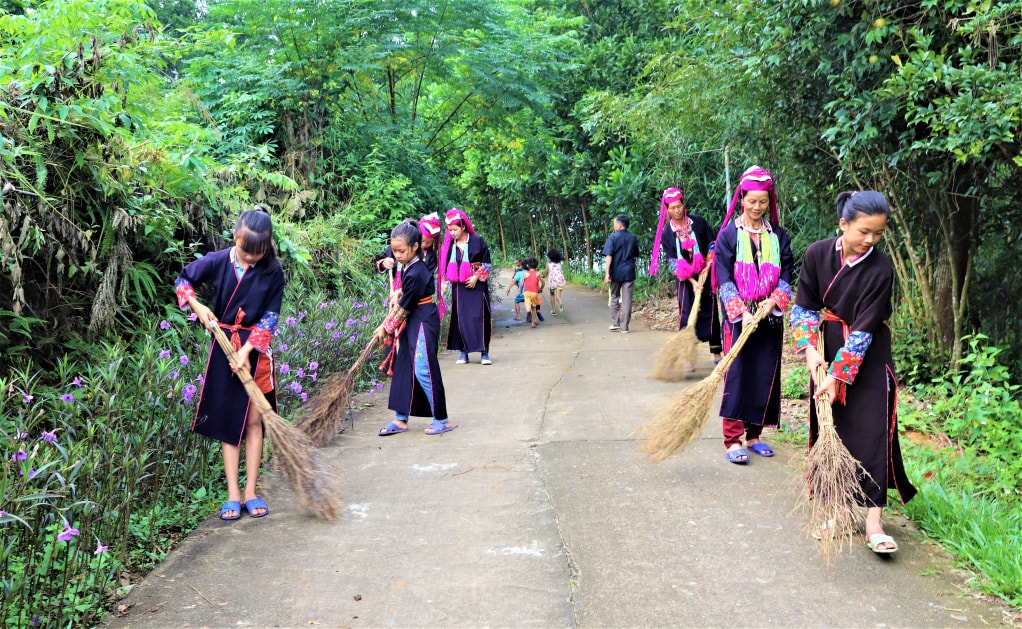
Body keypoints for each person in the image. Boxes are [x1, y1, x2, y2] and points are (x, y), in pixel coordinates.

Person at [791, 190, 917, 554]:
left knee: (874, 431)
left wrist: (837, 375)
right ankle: (838, 510)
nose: (870, 241)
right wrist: (811, 351)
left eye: (878, 234)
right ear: (843, 224)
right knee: (835, 428)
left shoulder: (880, 269)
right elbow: (803, 307)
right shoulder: (817, 254)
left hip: (870, 352)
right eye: (864, 231)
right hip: (828, 344)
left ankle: (874, 521)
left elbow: (863, 330)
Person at [174, 206, 286, 520]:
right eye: (245, 250)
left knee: (253, 422)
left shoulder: (273, 271)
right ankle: (233, 494)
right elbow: (183, 280)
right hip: (223, 348)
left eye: (258, 253)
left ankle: (251, 491)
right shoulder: (218, 260)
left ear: (268, 246)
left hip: (255, 352)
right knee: (228, 423)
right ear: (235, 236)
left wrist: (248, 351)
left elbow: (271, 316)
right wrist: (197, 305)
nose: (251, 257)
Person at [712, 166, 794, 464]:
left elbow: (787, 272)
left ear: (769, 201)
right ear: (742, 198)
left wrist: (773, 303)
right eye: (752, 201)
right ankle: (732, 439)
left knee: (763, 372)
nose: (757, 207)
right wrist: (743, 313)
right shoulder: (728, 236)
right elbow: (724, 277)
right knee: (737, 373)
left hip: (769, 315)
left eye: (763, 201)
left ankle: (754, 435)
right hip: (740, 318)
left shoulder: (779, 236)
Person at [375, 220, 453, 436]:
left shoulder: (418, 270)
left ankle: (442, 419)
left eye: (401, 251)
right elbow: (406, 296)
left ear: (415, 247)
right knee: (404, 367)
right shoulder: (408, 266)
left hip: (422, 320)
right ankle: (400, 419)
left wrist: (385, 327)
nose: (397, 255)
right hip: (411, 318)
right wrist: (399, 292)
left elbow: (406, 306)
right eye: (395, 251)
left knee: (423, 368)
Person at [650, 187, 722, 364]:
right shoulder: (667, 233)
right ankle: (687, 356)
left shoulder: (698, 222)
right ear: (666, 210)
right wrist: (692, 282)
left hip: (706, 271)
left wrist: (708, 265)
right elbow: (674, 262)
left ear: (684, 204)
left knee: (710, 310)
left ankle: (716, 354)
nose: (676, 211)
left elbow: (712, 243)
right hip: (684, 279)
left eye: (679, 206)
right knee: (686, 313)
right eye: (672, 208)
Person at [439, 208, 493, 365]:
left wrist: (476, 276)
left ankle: (484, 352)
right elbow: (444, 266)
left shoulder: (478, 240)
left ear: (463, 226)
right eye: (449, 230)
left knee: (479, 317)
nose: (452, 233)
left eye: (454, 229)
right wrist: (444, 284)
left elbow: (488, 264)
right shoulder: (450, 245)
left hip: (477, 286)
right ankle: (463, 352)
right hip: (459, 287)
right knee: (461, 318)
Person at [375, 212, 443, 301]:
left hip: (415, 297)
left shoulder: (430, 257)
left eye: (429, 243)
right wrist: (384, 263)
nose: (423, 245)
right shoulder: (400, 245)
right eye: (422, 241)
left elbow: (426, 279)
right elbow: (379, 263)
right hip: (394, 293)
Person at [601, 214, 640, 333]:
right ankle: (624, 327)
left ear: (619, 224)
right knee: (627, 299)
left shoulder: (612, 238)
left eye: (614, 223)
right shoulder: (633, 238)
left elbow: (609, 256)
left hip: (615, 272)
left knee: (614, 297)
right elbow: (636, 253)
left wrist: (607, 273)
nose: (614, 225)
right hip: (628, 272)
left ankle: (615, 323)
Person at [522, 257, 545, 328]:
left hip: (527, 292)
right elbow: (543, 282)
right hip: (534, 293)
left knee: (527, 303)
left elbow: (522, 284)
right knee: (534, 307)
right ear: (537, 266)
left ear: (527, 265)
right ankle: (533, 323)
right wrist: (541, 288)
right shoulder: (538, 274)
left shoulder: (525, 274)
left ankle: (528, 312)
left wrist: (520, 291)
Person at [545, 249, 567, 315]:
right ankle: (560, 303)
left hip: (552, 282)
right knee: (558, 296)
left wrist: (543, 275)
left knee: (552, 295)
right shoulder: (559, 264)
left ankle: (553, 310)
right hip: (560, 281)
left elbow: (546, 273)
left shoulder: (548, 264)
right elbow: (561, 272)